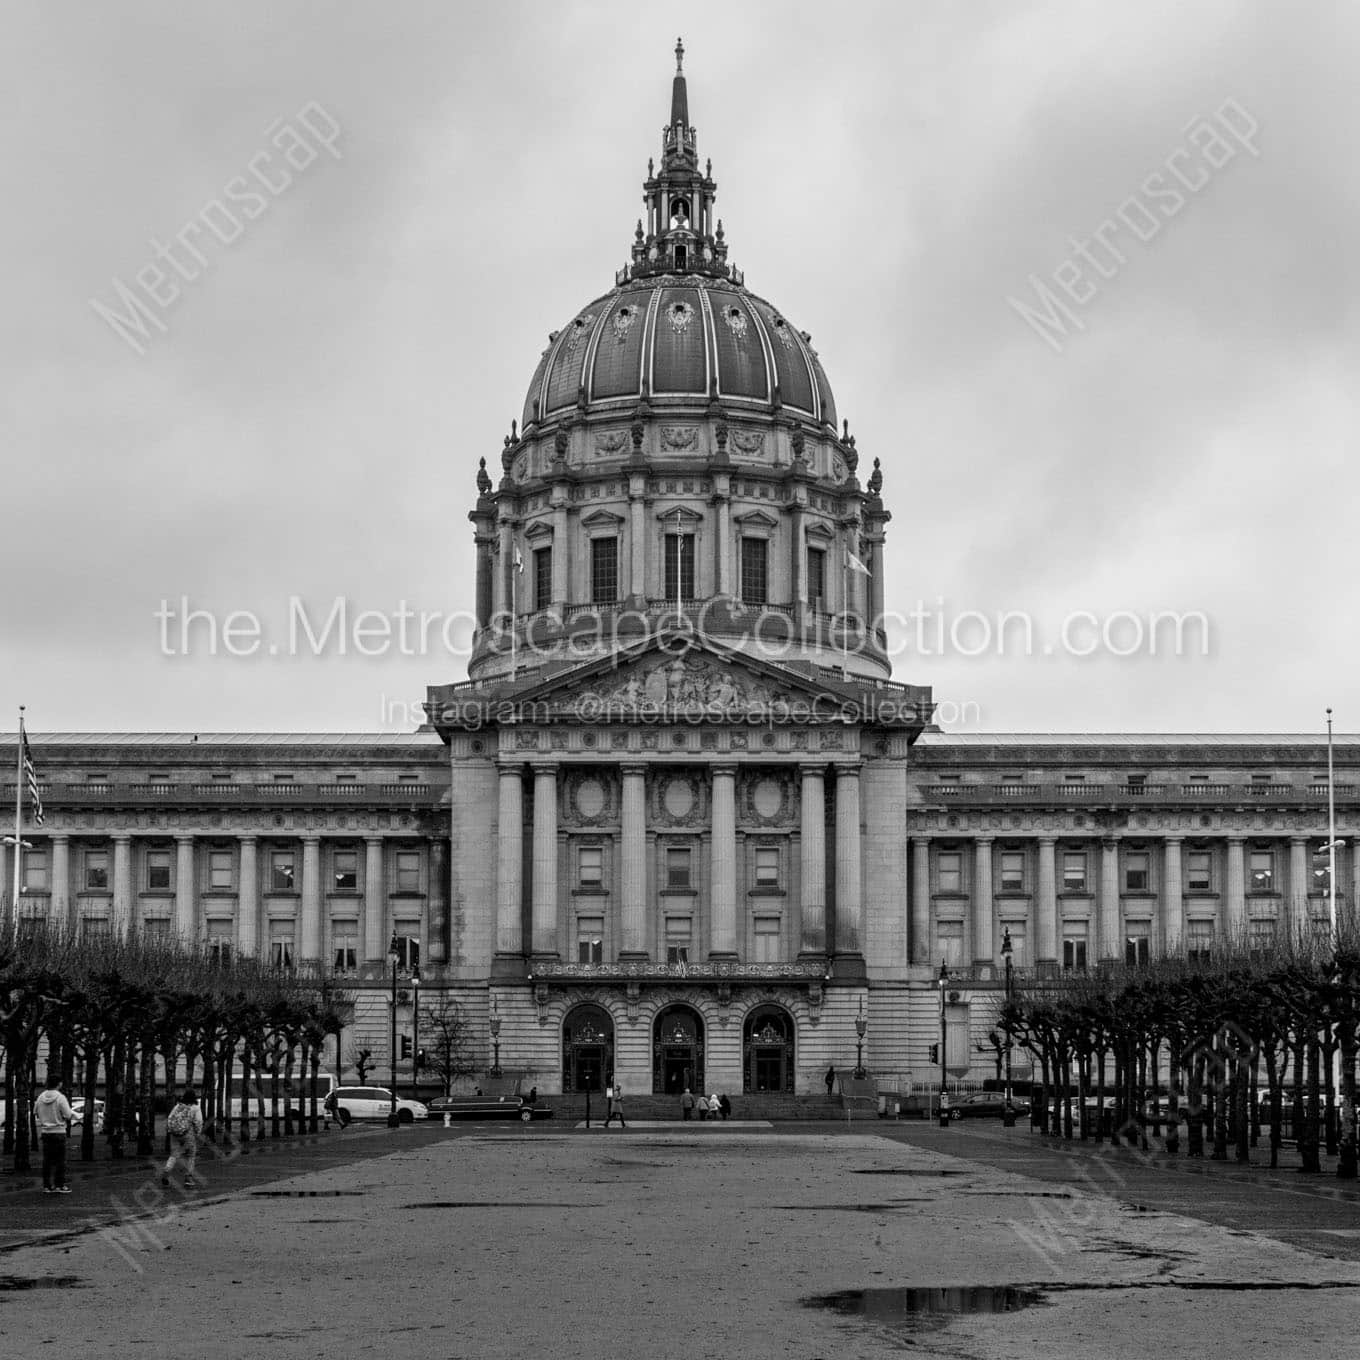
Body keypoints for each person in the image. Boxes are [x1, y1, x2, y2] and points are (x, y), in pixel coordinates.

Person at [34, 1074, 75, 1195]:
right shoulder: (60, 1097)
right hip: (59, 1131)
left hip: (46, 1132)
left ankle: (47, 1186)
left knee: (47, 1160)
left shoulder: (40, 1097)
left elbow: (35, 1112)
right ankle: (60, 1185)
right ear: (59, 1083)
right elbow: (68, 1114)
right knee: (60, 1160)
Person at [163, 1086, 203, 1188]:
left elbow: (170, 1118)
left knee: (174, 1154)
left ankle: (167, 1170)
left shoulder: (178, 1106)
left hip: (175, 1134)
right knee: (190, 1156)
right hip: (188, 1134)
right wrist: (198, 1133)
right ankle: (188, 1179)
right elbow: (198, 1122)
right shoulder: (195, 1107)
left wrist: (169, 1130)